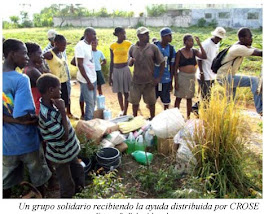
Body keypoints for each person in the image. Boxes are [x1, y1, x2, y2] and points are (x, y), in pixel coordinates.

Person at [2, 39, 51, 198]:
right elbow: (23, 115)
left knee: (5, 184)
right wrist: (37, 118)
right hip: (27, 141)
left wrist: (13, 120)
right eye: (24, 53)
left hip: (7, 144)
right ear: (12, 54)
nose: (27, 58)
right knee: (39, 178)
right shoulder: (20, 79)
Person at [36, 73, 84, 198]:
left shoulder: (54, 103)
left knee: (78, 173)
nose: (61, 91)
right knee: (67, 185)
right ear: (51, 90)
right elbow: (64, 136)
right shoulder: (46, 115)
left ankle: (80, 197)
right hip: (60, 156)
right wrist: (63, 111)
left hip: (69, 151)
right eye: (59, 88)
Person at [216, 27, 262, 115]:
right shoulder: (238, 49)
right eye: (249, 38)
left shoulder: (240, 45)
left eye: (251, 37)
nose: (251, 40)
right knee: (254, 80)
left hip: (225, 77)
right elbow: (260, 53)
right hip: (225, 78)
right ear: (242, 39)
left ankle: (224, 120)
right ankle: (260, 109)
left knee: (229, 103)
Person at [128, 27, 165, 120]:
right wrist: (131, 61)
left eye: (148, 34)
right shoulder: (133, 48)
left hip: (149, 82)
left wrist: (159, 77)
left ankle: (152, 119)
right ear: (139, 36)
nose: (147, 36)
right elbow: (129, 63)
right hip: (136, 82)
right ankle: (134, 120)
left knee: (152, 103)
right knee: (135, 103)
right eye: (145, 34)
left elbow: (162, 61)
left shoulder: (153, 48)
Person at [43, 29, 78, 119]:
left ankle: (67, 116)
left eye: (65, 45)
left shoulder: (60, 53)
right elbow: (39, 60)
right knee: (57, 102)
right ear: (56, 43)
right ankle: (58, 119)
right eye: (63, 45)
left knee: (66, 100)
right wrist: (46, 72)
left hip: (64, 81)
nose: (64, 47)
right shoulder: (49, 54)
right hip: (55, 83)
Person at [174, 34, 207, 119]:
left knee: (189, 98)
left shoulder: (194, 51)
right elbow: (175, 68)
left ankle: (188, 117)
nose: (191, 42)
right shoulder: (179, 52)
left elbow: (204, 56)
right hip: (182, 77)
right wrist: (176, 82)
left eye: (192, 41)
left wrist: (199, 44)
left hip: (191, 77)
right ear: (184, 42)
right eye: (189, 41)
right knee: (179, 97)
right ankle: (175, 117)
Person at [197, 27, 226, 100]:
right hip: (205, 74)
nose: (218, 40)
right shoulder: (206, 44)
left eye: (220, 38)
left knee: (208, 95)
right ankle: (196, 108)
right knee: (205, 96)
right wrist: (201, 73)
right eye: (217, 38)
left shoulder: (217, 44)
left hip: (211, 74)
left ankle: (197, 108)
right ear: (214, 35)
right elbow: (199, 59)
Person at [74, 27, 97, 120]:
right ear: (87, 35)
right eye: (93, 34)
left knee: (93, 102)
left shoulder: (88, 45)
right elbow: (80, 65)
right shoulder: (80, 46)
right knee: (90, 103)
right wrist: (88, 81)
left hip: (93, 78)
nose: (95, 36)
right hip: (86, 80)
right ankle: (88, 124)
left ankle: (89, 122)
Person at [110, 27, 132, 116]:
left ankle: (126, 111)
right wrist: (110, 76)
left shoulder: (128, 44)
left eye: (124, 33)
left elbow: (133, 55)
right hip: (116, 70)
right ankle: (122, 109)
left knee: (126, 92)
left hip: (125, 69)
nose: (124, 35)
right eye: (122, 33)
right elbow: (112, 61)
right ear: (118, 34)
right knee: (119, 92)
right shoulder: (113, 46)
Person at [154, 27, 176, 110]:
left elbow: (172, 66)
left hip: (166, 78)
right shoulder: (155, 46)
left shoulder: (171, 49)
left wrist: (171, 80)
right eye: (169, 35)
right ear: (163, 36)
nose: (171, 37)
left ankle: (165, 117)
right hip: (154, 78)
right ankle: (152, 117)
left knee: (166, 101)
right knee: (152, 100)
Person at [23, 42, 46, 115]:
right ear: (31, 55)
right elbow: (49, 84)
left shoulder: (27, 69)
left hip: (35, 104)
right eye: (39, 53)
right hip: (39, 106)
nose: (42, 56)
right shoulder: (32, 71)